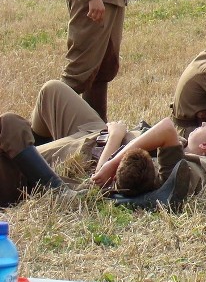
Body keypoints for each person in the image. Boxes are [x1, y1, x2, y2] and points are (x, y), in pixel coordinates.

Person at [27, 79, 192, 209]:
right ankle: (34, 141)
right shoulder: (183, 147)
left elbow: (100, 181)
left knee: (16, 144)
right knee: (51, 90)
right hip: (98, 133)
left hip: (86, 151)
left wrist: (114, 139)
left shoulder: (178, 169)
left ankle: (27, 147)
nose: (205, 125)